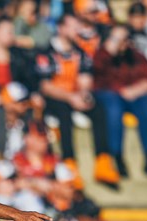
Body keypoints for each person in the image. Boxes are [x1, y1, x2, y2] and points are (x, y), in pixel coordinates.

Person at [36, 14, 119, 188]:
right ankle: (69, 163)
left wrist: (84, 96)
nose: (76, 31)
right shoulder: (46, 53)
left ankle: (103, 161)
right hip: (56, 99)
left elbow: (85, 79)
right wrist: (70, 97)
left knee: (98, 108)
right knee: (64, 113)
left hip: (74, 96)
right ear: (61, 28)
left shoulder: (80, 53)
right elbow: (45, 86)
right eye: (72, 26)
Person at [92, 25, 147, 178]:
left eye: (125, 39)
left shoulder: (136, 56)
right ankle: (117, 157)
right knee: (113, 109)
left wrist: (136, 89)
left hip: (134, 95)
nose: (122, 43)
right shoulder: (101, 56)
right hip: (111, 95)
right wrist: (110, 51)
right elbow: (97, 79)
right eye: (117, 39)